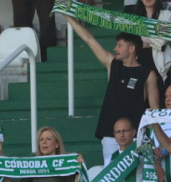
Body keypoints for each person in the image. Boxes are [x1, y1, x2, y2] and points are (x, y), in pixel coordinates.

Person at [63, 21, 159, 164]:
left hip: (136, 136)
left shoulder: (148, 74)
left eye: (120, 45)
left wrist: (154, 140)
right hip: (110, 134)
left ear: (132, 48)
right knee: (112, 177)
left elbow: (155, 111)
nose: (115, 48)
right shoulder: (112, 64)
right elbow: (89, 39)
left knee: (137, 178)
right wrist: (68, 17)